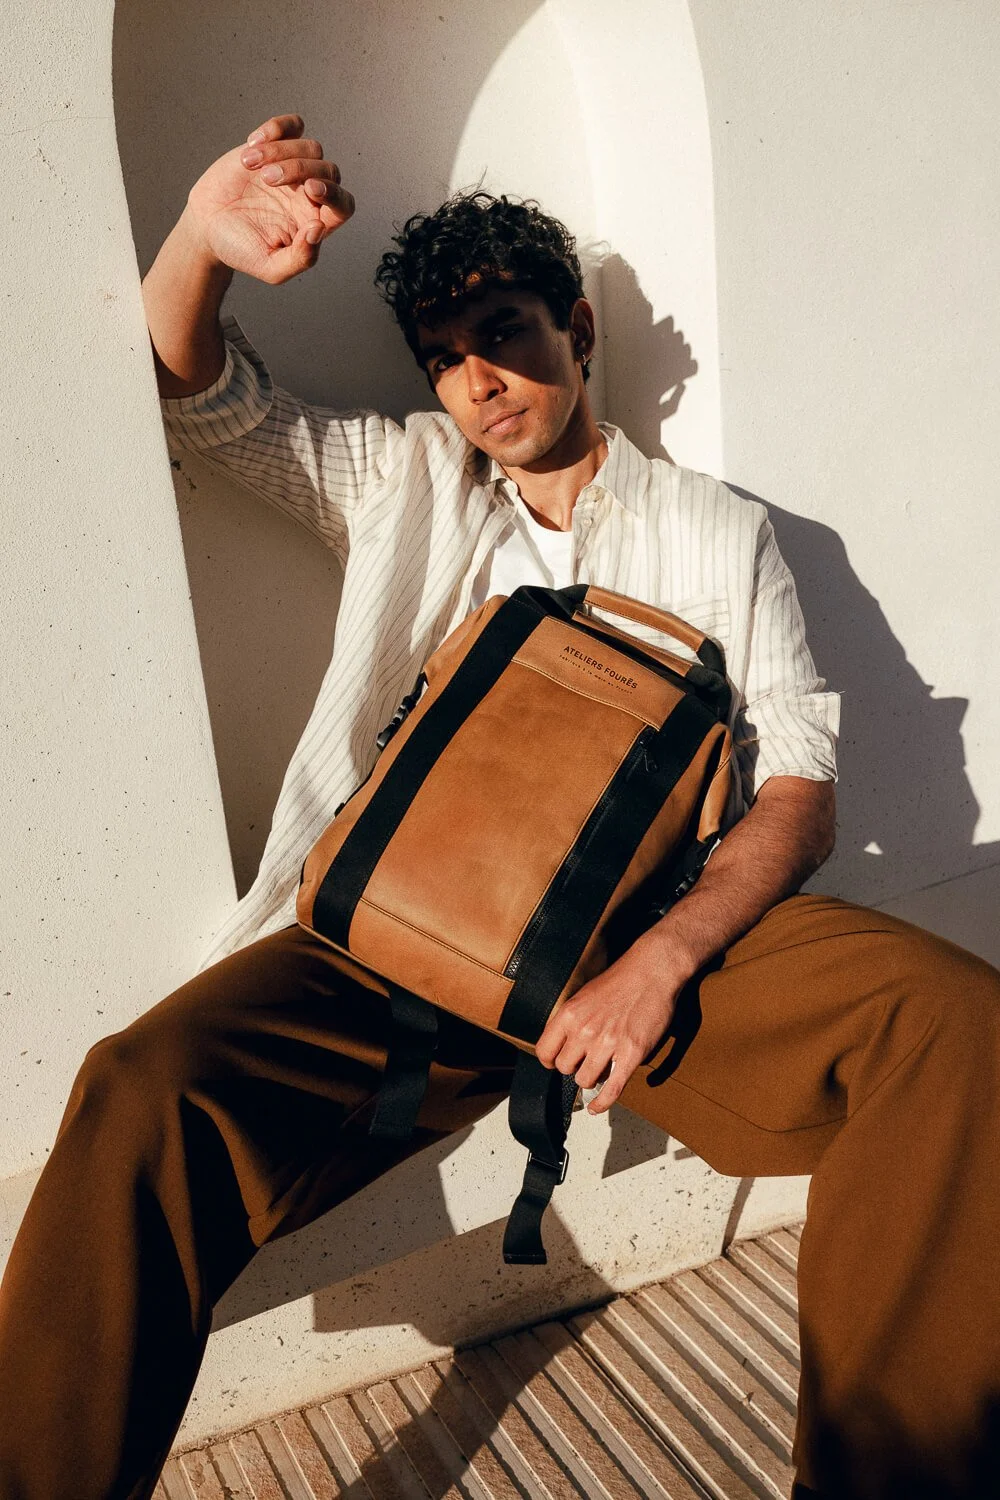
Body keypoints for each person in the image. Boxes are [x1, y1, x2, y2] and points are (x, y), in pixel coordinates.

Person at [0, 112, 997, 1500]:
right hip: (399, 936)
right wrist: (197, 241)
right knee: (138, 1087)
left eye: (510, 332)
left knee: (953, 1024)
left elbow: (801, 790)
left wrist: (658, 966)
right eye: (449, 357)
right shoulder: (409, 479)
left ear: (577, 328)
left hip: (634, 938)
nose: (481, 379)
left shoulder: (713, 526)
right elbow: (202, 396)